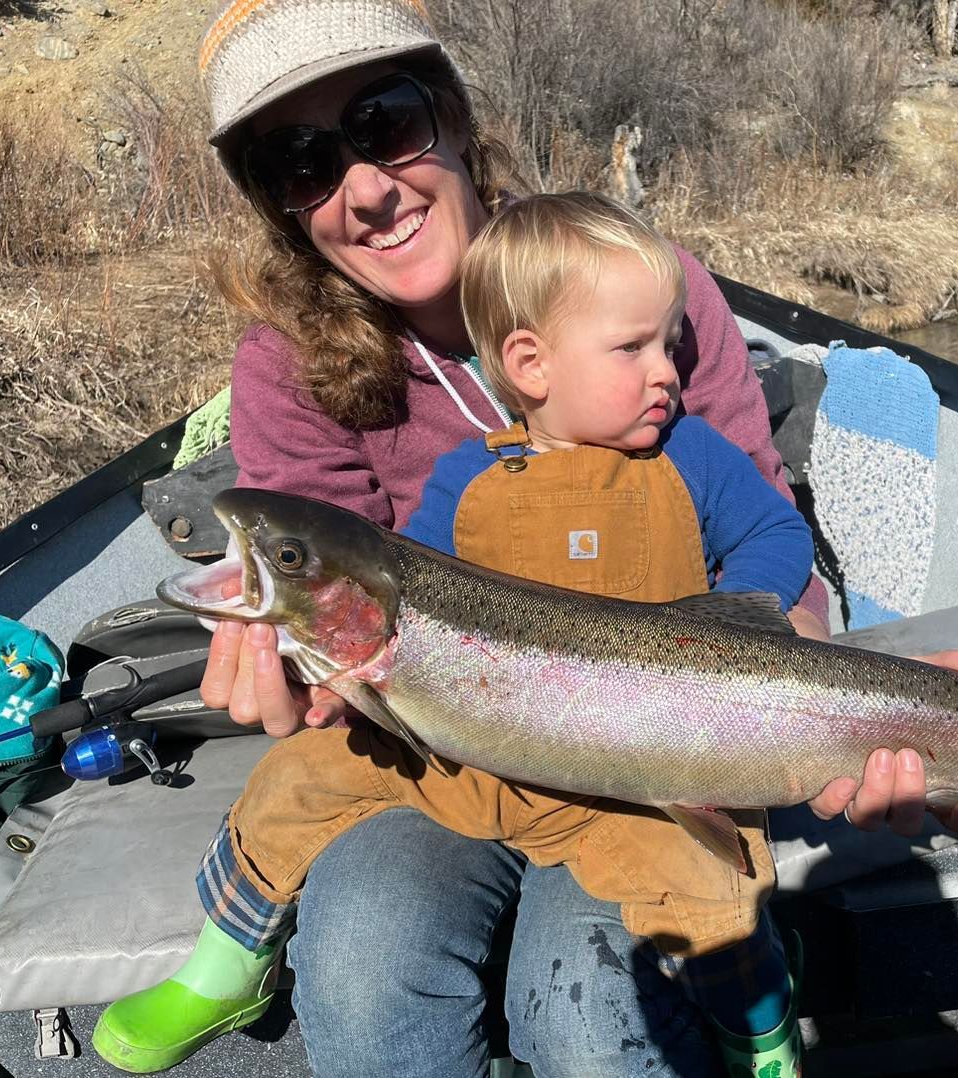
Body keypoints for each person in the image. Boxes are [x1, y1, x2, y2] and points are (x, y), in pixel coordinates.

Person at [143, 3, 958, 1074]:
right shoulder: (285, 368)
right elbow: (336, 615)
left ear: (451, 116)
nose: (362, 186)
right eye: (300, 161)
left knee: (591, 1016)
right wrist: (287, 671)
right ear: (278, 203)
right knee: (363, 968)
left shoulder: (640, 290)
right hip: (430, 764)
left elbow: (768, 551)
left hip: (666, 749)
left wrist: (824, 721)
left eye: (385, 120)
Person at [97, 190, 818, 1075]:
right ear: (529, 362)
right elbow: (405, 584)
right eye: (634, 349)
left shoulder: (693, 454)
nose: (667, 369)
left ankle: (763, 1032)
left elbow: (778, 537)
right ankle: (228, 956)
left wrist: (749, 634)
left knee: (706, 890)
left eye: (667, 344)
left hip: (646, 764)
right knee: (296, 779)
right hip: (462, 766)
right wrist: (310, 666)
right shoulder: (464, 481)